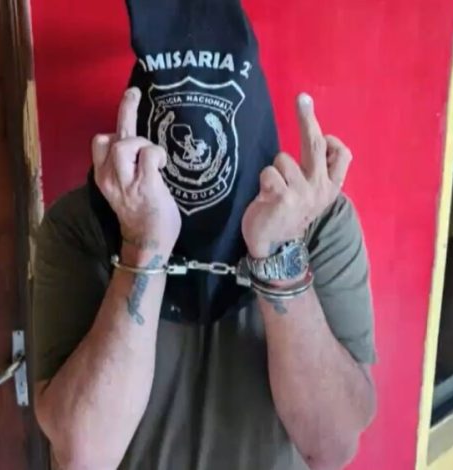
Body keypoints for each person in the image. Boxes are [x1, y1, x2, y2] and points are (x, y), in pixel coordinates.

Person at [32, 87, 377, 470]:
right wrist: (144, 243)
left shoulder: (318, 218)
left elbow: (331, 446)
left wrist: (279, 252)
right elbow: (83, 457)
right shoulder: (80, 223)